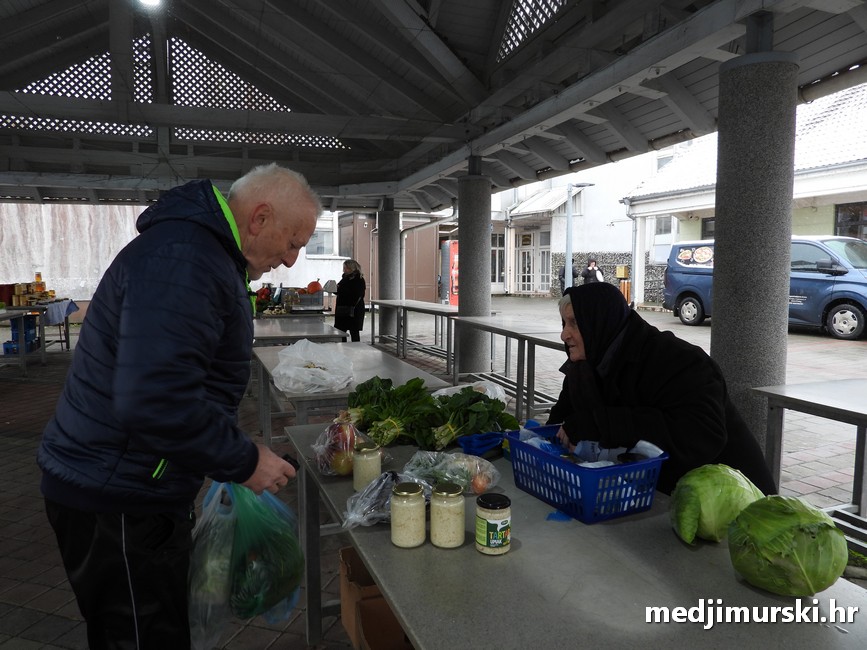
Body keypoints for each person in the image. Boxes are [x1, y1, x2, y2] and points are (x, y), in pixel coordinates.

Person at [37, 163, 321, 649]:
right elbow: (154, 399)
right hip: (117, 497)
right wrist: (244, 461)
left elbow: (178, 384)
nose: (292, 261)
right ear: (259, 218)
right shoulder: (186, 261)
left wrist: (228, 450)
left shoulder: (196, 253)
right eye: (292, 242)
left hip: (125, 484)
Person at [548, 282, 777, 496]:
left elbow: (701, 434)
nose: (564, 334)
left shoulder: (678, 360)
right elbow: (562, 421)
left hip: (734, 500)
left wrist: (602, 423)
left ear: (600, 322)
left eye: (574, 323)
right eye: (563, 323)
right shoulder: (587, 365)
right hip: (655, 499)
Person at [334, 259, 366, 342]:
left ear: (352, 268)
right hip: (343, 309)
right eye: (344, 268)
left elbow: (356, 294)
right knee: (341, 331)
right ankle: (342, 348)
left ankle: (355, 350)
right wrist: (334, 289)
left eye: (346, 268)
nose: (344, 270)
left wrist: (340, 290)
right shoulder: (345, 278)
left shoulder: (359, 279)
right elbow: (339, 290)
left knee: (354, 331)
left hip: (353, 310)